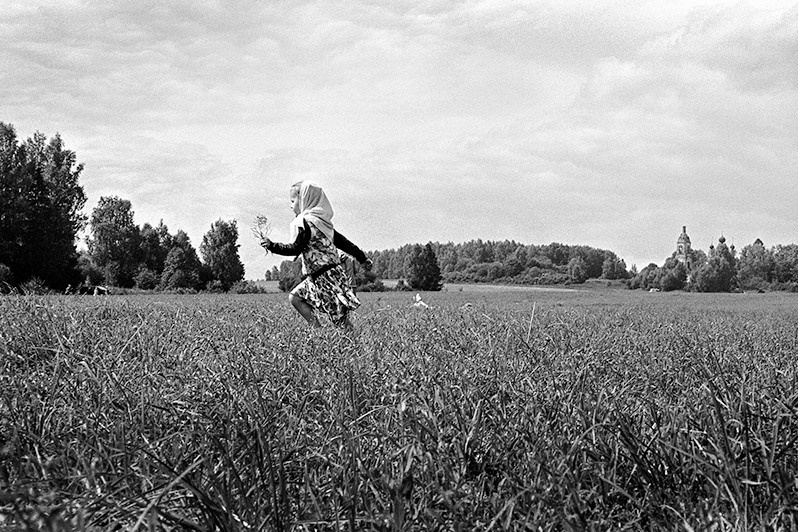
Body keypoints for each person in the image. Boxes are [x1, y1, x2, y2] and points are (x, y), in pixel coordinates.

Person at [260, 181, 371, 329]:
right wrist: (362, 258)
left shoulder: (306, 223)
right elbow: (345, 243)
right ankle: (319, 332)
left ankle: (354, 345)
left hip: (326, 277)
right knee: (296, 297)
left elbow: (294, 248)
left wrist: (272, 245)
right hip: (321, 276)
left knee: (339, 320)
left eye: (293, 201)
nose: (290, 205)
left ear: (304, 200)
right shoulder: (322, 223)